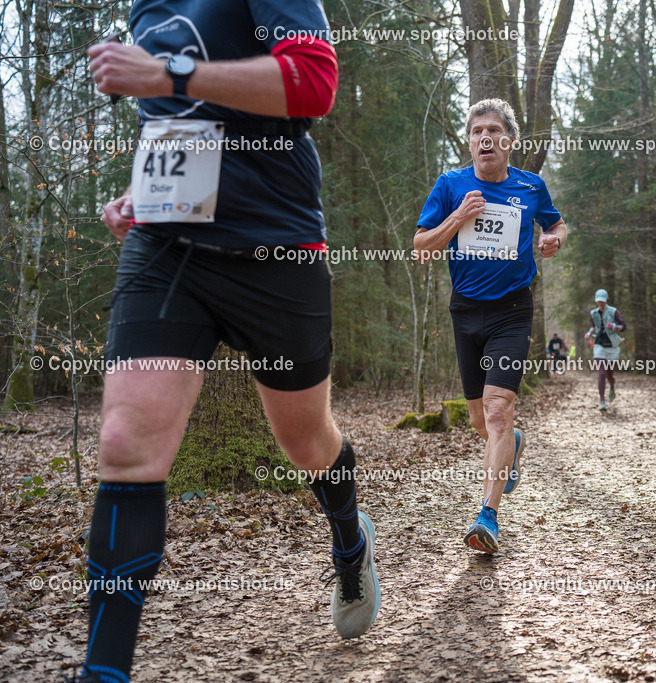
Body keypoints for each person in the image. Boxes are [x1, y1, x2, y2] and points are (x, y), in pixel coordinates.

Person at [80, 3, 379, 680]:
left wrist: (167, 73)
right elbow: (178, 118)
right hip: (167, 244)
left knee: (305, 441)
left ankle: (349, 539)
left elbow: (313, 81)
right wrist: (139, 190)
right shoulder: (147, 5)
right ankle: (103, 670)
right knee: (127, 443)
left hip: (278, 249)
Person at [413, 98, 567, 554]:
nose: (485, 138)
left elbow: (558, 225)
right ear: (469, 140)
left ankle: (488, 517)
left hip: (513, 310)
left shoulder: (530, 186)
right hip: (465, 309)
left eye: (494, 130)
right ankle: (512, 444)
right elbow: (421, 247)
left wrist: (552, 240)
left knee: (498, 411)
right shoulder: (450, 184)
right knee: (481, 420)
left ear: (509, 141)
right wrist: (458, 217)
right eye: (477, 130)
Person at [584, 289, 626, 411]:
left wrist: (614, 326)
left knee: (609, 374)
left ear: (606, 299)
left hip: (612, 346)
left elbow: (623, 326)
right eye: (598, 301)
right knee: (601, 373)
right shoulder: (593, 313)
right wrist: (589, 332)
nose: (600, 303)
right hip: (599, 345)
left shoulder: (614, 311)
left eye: (602, 301)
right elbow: (593, 326)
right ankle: (602, 401)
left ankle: (612, 386)